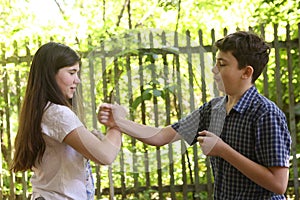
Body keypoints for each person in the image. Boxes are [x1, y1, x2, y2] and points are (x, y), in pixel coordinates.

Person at [98, 31, 291, 199]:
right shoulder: (213, 109)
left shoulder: (266, 114)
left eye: (222, 65)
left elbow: (278, 184)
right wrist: (119, 122)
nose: (214, 70)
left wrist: (224, 150)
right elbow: (160, 136)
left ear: (246, 72)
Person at [11, 42, 122, 200]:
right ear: (51, 74)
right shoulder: (58, 114)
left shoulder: (45, 111)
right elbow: (105, 155)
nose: (77, 80)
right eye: (72, 73)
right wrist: (117, 124)